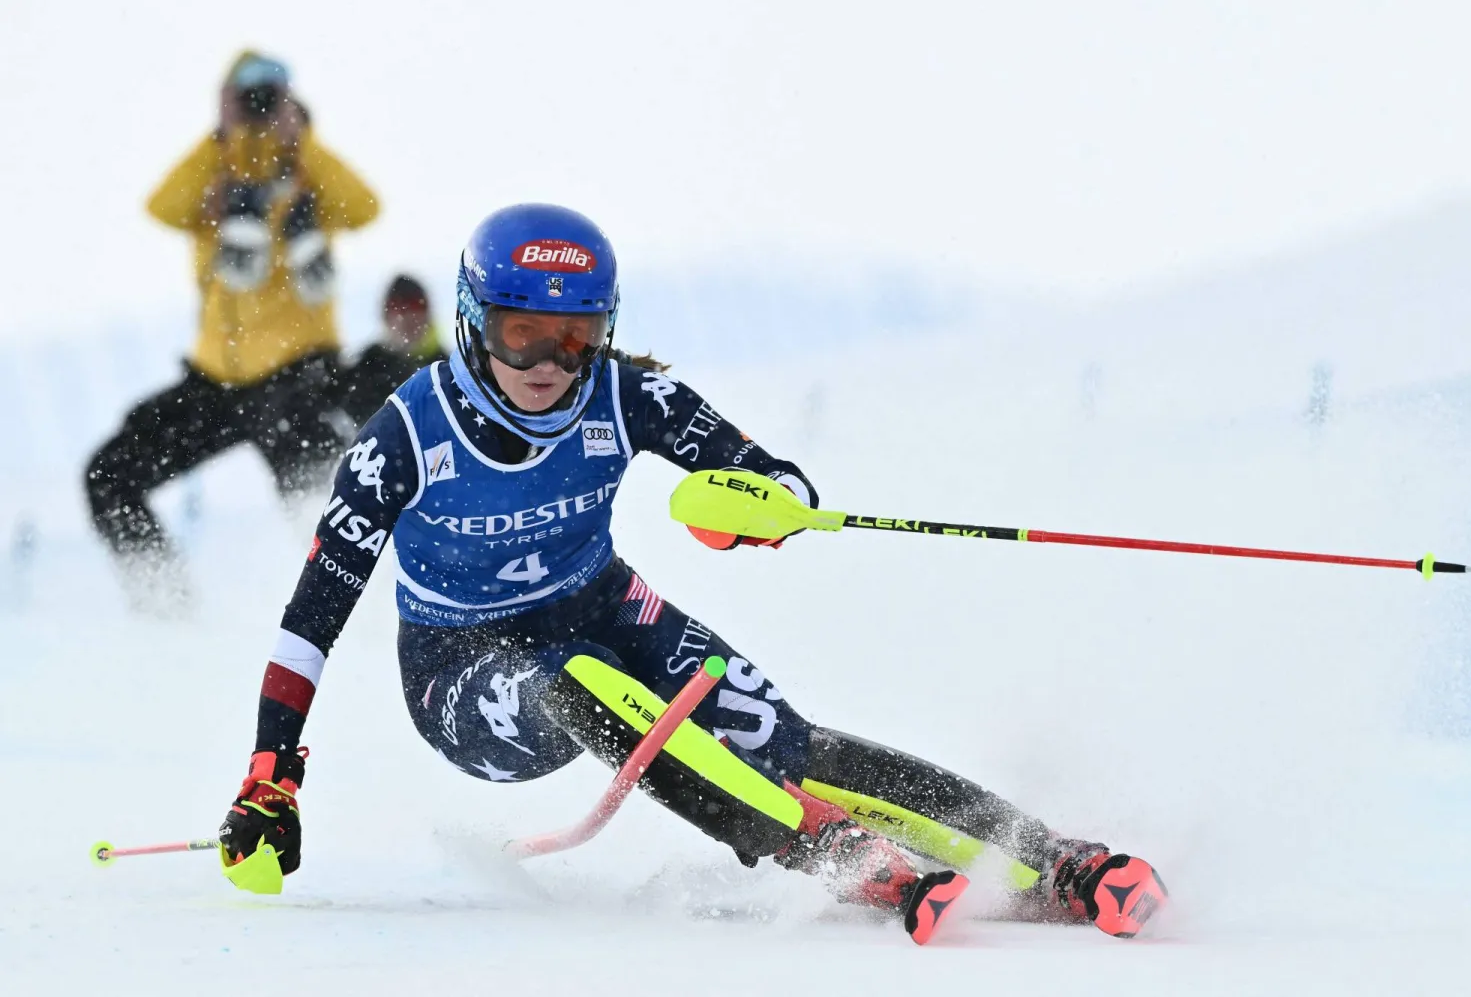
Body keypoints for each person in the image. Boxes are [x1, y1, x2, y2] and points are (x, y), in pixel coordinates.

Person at [217, 204, 1168, 940]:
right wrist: (273, 775)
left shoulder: (627, 392)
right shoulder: (408, 435)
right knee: (575, 688)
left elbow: (768, 474)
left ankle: (1055, 859)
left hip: (600, 602)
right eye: (522, 332)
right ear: (473, 322)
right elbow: (314, 613)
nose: (551, 361)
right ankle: (830, 851)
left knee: (780, 739)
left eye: (577, 333)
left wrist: (761, 510)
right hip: (460, 663)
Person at [84, 51, 378, 608]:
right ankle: (164, 604)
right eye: (249, 96)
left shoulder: (309, 175)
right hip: (219, 381)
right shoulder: (214, 179)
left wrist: (301, 142)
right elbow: (160, 206)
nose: (260, 106)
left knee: (326, 494)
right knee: (109, 474)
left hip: (297, 376)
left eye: (270, 95)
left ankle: (358, 613)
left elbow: (366, 207)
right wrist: (221, 137)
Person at [333, 275, 445, 426]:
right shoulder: (366, 366)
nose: (407, 317)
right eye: (397, 308)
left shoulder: (447, 368)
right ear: (386, 317)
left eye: (416, 307)